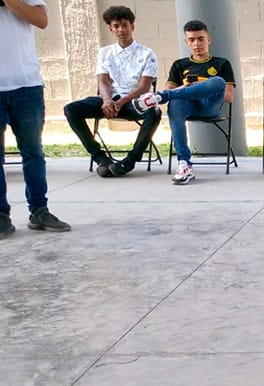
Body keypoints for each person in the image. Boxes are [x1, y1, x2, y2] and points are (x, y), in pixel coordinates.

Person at [132, 19, 235, 185]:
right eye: (192, 40)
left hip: (209, 105)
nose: (197, 44)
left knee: (218, 82)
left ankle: (160, 96)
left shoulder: (222, 63)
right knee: (175, 102)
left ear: (208, 39)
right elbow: (173, 91)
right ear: (187, 42)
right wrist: (185, 87)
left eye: (200, 39)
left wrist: (201, 86)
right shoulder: (179, 65)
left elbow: (229, 97)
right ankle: (184, 164)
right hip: (187, 105)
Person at [62, 5, 160, 178]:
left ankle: (130, 160)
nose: (121, 30)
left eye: (124, 25)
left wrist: (120, 102)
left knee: (155, 111)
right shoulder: (105, 52)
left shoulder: (147, 53)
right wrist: (107, 100)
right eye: (116, 26)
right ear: (111, 28)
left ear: (132, 26)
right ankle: (101, 158)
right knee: (71, 109)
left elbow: (144, 87)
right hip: (109, 100)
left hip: (133, 101)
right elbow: (103, 80)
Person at [0, 0, 71, 237]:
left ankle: (39, 210)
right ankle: (1, 216)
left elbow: (41, 20)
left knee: (33, 152)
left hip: (26, 85)